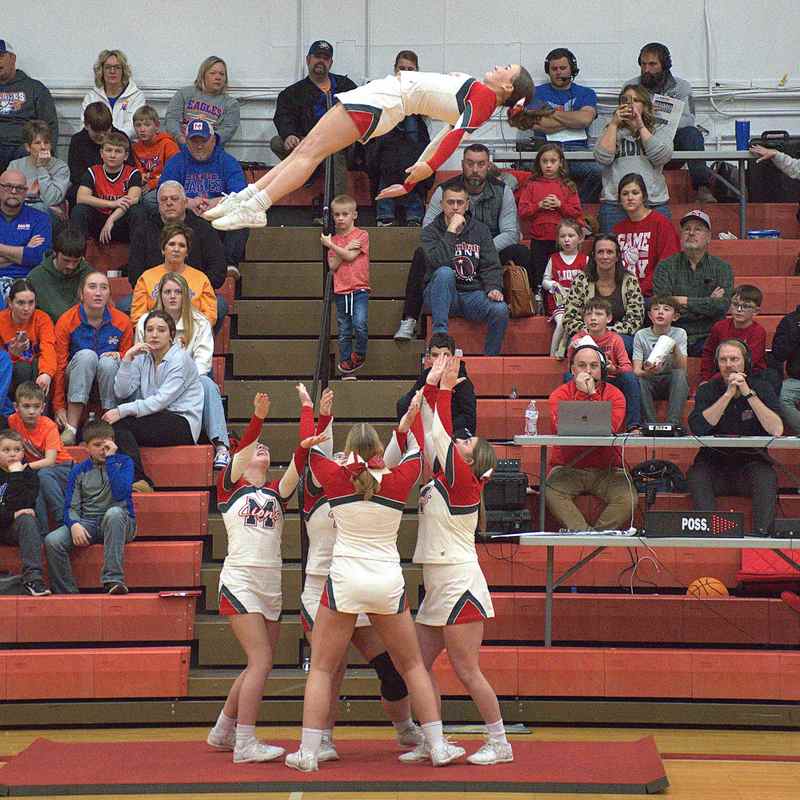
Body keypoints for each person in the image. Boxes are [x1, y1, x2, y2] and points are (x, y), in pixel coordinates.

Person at [288, 397, 465, 771]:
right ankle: (438, 745)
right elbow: (418, 451)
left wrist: (313, 411)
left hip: (345, 580)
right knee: (413, 665)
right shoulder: (399, 480)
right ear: (378, 452)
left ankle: (307, 752)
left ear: (349, 451)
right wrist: (409, 423)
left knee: (321, 669)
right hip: (386, 580)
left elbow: (306, 451)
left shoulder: (335, 479)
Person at [208, 64, 538, 230]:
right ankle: (247, 197)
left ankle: (258, 205)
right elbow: (443, 136)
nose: (498, 66)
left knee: (309, 154)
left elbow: (450, 139)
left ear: (508, 86)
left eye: (505, 68)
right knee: (304, 150)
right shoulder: (479, 93)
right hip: (381, 98)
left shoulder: (483, 99)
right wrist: (412, 176)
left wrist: (416, 176)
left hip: (382, 103)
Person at [299, 388, 424, 758]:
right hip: (323, 588)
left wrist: (402, 431)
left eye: (346, 456)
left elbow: (386, 461)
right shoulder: (317, 488)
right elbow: (312, 450)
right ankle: (322, 739)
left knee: (391, 666)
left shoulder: (361, 485)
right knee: (330, 668)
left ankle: (405, 729)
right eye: (335, 456)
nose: (340, 459)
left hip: (360, 584)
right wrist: (319, 416)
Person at [206, 389, 322, 764]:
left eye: (266, 449)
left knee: (260, 663)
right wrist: (257, 421)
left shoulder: (276, 493)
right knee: (259, 663)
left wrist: (309, 416)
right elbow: (241, 454)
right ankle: (245, 743)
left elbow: (298, 464)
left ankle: (223, 729)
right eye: (258, 447)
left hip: (271, 584)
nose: (263, 450)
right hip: (240, 581)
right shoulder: (229, 487)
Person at [411, 354, 512, 766]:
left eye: (468, 443)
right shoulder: (442, 476)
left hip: (459, 584)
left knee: (467, 670)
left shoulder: (465, 482)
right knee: (416, 665)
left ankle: (500, 742)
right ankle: (432, 737)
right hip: (437, 584)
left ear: (473, 461)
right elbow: (429, 429)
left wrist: (447, 390)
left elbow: (442, 430)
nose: (462, 440)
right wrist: (432, 385)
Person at [395, 145, 528, 340]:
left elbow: (510, 232)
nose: (475, 169)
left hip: (487, 246)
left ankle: (517, 305)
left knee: (520, 252)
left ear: (488, 165)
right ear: (462, 164)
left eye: (481, 164)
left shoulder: (502, 190)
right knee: (421, 254)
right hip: (449, 249)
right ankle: (410, 319)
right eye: (470, 163)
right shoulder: (444, 190)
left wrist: (481, 247)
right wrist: (456, 244)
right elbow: (428, 230)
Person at [135, 271, 230, 470]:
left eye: (177, 292)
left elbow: (203, 364)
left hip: (189, 385)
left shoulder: (200, 322)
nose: (172, 296)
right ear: (159, 295)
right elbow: (141, 359)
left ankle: (221, 446)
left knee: (208, 384)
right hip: (154, 380)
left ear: (185, 295)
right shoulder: (145, 322)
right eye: (167, 291)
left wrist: (177, 383)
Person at [687, 340, 783, 536]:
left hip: (752, 462)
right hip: (713, 463)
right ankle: (710, 534)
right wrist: (728, 394)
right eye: (723, 360)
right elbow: (699, 427)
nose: (729, 364)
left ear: (745, 362)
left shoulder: (762, 387)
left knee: (767, 477)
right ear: (717, 364)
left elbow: (776, 429)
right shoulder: (707, 390)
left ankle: (762, 536)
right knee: (696, 475)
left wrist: (748, 394)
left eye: (734, 359)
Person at [103, 310, 204, 490]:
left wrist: (121, 411)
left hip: (182, 423)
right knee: (116, 428)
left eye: (161, 330)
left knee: (121, 424)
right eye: (149, 330)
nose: (154, 335)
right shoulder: (143, 357)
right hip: (155, 417)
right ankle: (138, 481)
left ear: (171, 335)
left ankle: (139, 480)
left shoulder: (180, 360)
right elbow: (121, 391)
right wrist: (127, 359)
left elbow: (160, 401)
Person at [545, 345, 635, 532]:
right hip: (569, 468)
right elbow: (560, 427)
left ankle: (599, 534)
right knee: (551, 490)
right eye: (582, 365)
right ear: (572, 369)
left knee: (628, 499)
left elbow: (609, 428)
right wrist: (581, 394)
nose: (587, 371)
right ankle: (583, 533)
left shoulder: (615, 395)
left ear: (602, 370)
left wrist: (592, 394)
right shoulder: (559, 394)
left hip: (607, 471)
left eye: (594, 365)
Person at [44, 419, 136, 594]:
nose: (103, 449)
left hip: (122, 522)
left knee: (114, 513)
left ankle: (113, 580)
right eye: (97, 445)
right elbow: (70, 506)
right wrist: (74, 524)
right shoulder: (78, 470)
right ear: (86, 447)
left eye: (107, 444)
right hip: (89, 523)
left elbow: (121, 493)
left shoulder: (124, 463)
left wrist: (111, 460)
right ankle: (67, 593)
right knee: (52, 541)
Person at [420, 181, 508, 356]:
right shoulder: (430, 232)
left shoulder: (480, 230)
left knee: (500, 309)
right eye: (450, 202)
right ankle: (441, 341)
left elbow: (491, 265)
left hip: (471, 295)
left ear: (467, 204)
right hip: (440, 295)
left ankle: (490, 358)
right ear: (441, 204)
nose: (455, 207)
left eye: (460, 203)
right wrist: (451, 230)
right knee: (445, 273)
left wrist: (493, 288)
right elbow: (438, 262)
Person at [127, 180, 227, 322]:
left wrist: (190, 290)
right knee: (125, 305)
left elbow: (218, 270)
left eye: (174, 199)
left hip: (194, 291)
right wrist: (162, 293)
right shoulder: (144, 230)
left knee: (220, 306)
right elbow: (135, 273)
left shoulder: (203, 228)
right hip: (153, 292)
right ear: (158, 204)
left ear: (185, 202)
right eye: (164, 199)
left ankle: (199, 342)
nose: (169, 203)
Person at [269, 40, 358, 200]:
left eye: (325, 58)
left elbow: (361, 110)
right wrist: (289, 134)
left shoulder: (346, 86)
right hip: (309, 144)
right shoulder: (292, 93)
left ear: (331, 63)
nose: (321, 61)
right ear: (308, 59)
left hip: (341, 146)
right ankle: (309, 172)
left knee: (334, 152)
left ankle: (336, 209)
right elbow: (283, 116)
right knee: (277, 142)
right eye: (317, 56)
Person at [628, 43, 716, 205]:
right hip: (642, 145)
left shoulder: (682, 87)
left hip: (672, 143)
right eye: (643, 64)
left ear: (665, 66)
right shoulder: (631, 87)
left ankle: (703, 188)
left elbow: (688, 119)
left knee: (692, 133)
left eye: (652, 64)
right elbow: (626, 120)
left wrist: (655, 117)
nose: (646, 69)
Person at [53, 271, 134, 446]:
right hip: (76, 377)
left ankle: (108, 425)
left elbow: (130, 360)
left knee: (107, 361)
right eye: (92, 287)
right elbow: (59, 366)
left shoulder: (122, 322)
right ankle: (71, 428)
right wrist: (58, 406)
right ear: (81, 294)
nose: (98, 293)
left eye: (104, 288)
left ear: (109, 294)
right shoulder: (67, 321)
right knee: (86, 355)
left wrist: (119, 356)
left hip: (109, 378)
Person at [159, 119, 248, 273]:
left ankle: (228, 265)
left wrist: (217, 202)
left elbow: (241, 195)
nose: (199, 145)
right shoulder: (176, 162)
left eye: (204, 141)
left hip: (218, 215)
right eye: (194, 141)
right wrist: (187, 203)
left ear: (213, 140)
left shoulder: (227, 162)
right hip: (186, 216)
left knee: (243, 215)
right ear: (186, 141)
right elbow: (164, 193)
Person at [515, 48, 602, 203]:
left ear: (572, 69)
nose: (558, 72)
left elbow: (585, 119)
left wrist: (550, 113)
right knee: (525, 170)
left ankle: (575, 206)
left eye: (563, 68)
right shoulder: (535, 93)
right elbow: (538, 123)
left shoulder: (586, 93)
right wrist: (573, 121)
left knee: (598, 172)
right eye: (554, 69)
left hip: (577, 152)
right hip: (545, 150)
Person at [652, 209, 734, 356]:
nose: (691, 233)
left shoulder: (722, 268)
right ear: (681, 236)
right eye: (687, 229)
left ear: (708, 237)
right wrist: (708, 302)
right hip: (673, 333)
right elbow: (663, 305)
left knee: (726, 351)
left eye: (698, 229)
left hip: (708, 335)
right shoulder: (665, 266)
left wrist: (682, 301)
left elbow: (721, 306)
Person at [594, 84, 673, 233]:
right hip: (615, 205)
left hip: (653, 203)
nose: (630, 105)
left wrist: (641, 127)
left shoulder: (659, 128)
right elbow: (602, 157)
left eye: (636, 100)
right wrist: (614, 125)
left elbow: (661, 157)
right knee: (612, 253)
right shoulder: (610, 129)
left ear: (645, 105)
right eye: (626, 101)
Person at [366, 50, 431, 228]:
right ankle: (386, 214)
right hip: (386, 152)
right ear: (395, 69)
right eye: (402, 68)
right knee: (389, 162)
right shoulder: (382, 91)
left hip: (411, 155)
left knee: (412, 167)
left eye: (410, 69)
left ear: (417, 71)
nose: (405, 72)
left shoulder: (423, 96)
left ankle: (413, 215)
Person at [565, 298, 642, 431]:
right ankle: (574, 423)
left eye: (599, 314)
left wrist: (613, 369)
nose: (593, 318)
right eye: (589, 314)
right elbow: (572, 368)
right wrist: (572, 349)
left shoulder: (615, 339)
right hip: (587, 379)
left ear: (609, 318)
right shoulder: (577, 339)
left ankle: (633, 425)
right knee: (568, 377)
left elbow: (626, 367)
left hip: (610, 379)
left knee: (630, 378)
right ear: (584, 319)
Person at [561, 234, 644, 356]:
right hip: (586, 334)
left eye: (609, 252)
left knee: (624, 344)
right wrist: (592, 332)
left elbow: (635, 320)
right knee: (582, 347)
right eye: (600, 252)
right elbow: (569, 318)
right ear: (594, 256)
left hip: (619, 336)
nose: (605, 256)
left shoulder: (629, 281)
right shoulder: (581, 280)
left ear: (617, 257)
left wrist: (605, 333)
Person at [516, 143, 585, 289]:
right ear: (538, 163)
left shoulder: (568, 185)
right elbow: (522, 211)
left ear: (560, 163)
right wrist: (539, 205)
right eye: (544, 161)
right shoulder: (532, 185)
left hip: (561, 240)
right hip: (539, 239)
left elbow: (576, 212)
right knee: (540, 275)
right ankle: (541, 302)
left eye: (553, 161)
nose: (548, 165)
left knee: (560, 273)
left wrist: (560, 205)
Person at [8, 381, 74, 532]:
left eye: (36, 407)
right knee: (34, 481)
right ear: (16, 407)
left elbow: (50, 461)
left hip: (64, 468)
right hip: (40, 471)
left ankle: (61, 519)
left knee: (41, 474)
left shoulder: (49, 426)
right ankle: (42, 531)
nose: (31, 411)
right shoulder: (13, 421)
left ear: (43, 408)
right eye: (26, 406)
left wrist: (27, 467)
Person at [397, 333, 477, 444]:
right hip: (429, 427)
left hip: (452, 432)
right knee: (402, 403)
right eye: (435, 355)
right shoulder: (426, 375)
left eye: (445, 355)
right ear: (428, 357)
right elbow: (406, 403)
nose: (440, 360)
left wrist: (441, 428)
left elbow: (469, 419)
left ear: (453, 357)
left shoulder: (463, 381)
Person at [130, 222, 216, 325]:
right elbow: (138, 317)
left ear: (187, 252)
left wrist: (191, 332)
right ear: (163, 249)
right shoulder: (146, 277)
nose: (176, 249)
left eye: (182, 245)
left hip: (192, 334)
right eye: (171, 244)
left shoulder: (201, 279)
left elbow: (210, 316)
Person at [321, 194, 370, 375]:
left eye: (345, 214)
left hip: (359, 289)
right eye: (337, 215)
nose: (340, 218)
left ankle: (360, 354)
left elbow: (350, 257)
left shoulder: (362, 235)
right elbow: (333, 266)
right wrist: (343, 247)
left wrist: (335, 247)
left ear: (354, 215)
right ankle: (345, 364)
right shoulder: (333, 239)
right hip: (341, 290)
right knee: (344, 329)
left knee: (360, 323)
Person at [612, 172, 680, 297]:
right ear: (619, 199)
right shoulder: (617, 229)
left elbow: (668, 265)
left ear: (643, 196)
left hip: (654, 295)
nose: (630, 197)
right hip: (623, 294)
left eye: (635, 193)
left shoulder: (661, 224)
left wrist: (638, 290)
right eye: (625, 194)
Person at [71, 131, 144, 244]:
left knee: (137, 211)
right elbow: (81, 198)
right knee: (79, 210)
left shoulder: (133, 173)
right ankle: (79, 256)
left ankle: (138, 259)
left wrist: (111, 220)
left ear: (126, 156)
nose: (112, 155)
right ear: (101, 153)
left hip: (119, 221)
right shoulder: (92, 171)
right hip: (98, 221)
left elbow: (132, 200)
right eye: (108, 150)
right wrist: (111, 204)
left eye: (118, 151)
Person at [0, 427, 49, 595]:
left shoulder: (29, 475)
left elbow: (24, 505)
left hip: (13, 529)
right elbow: (16, 510)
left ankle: (33, 579)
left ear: (23, 452)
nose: (12, 454)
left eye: (17, 450)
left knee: (27, 520)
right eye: (6, 450)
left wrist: (15, 476)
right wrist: (12, 514)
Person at [0, 41, 58, 173]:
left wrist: (48, 150)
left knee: (28, 152)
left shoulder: (34, 88)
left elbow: (50, 124)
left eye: (1, 56)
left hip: (23, 147)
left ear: (13, 58)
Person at [632, 295, 689, 426]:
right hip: (651, 380)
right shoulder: (641, 335)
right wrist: (648, 372)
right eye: (656, 309)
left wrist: (674, 348)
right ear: (650, 316)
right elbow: (636, 370)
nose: (661, 312)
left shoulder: (680, 333)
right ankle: (650, 424)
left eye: (666, 309)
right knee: (639, 380)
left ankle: (672, 424)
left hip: (671, 381)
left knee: (680, 375)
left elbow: (683, 367)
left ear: (675, 317)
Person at [67, 102, 134, 208]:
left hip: (117, 190)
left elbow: (130, 171)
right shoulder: (78, 141)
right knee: (73, 194)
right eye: (97, 131)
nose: (102, 135)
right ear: (86, 125)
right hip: (89, 189)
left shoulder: (121, 138)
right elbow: (76, 176)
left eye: (106, 130)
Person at [700, 285, 769, 384]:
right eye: (735, 304)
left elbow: (748, 363)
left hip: (751, 376)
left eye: (746, 306)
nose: (739, 309)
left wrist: (713, 380)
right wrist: (706, 379)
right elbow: (709, 354)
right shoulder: (719, 327)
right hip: (721, 375)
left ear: (756, 311)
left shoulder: (758, 332)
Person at [166, 56, 240, 146]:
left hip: (211, 150)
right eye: (212, 73)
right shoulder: (184, 94)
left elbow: (227, 131)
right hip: (182, 147)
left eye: (222, 74)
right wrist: (182, 139)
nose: (218, 77)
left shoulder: (231, 104)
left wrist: (206, 144)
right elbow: (172, 120)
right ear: (203, 75)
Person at [0, 278, 56, 398]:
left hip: (35, 373)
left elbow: (48, 347)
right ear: (10, 302)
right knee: (21, 367)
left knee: (41, 369)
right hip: (10, 374)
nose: (26, 308)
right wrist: (12, 355)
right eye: (21, 303)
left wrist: (46, 373)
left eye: (31, 302)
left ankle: (40, 413)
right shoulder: (1, 320)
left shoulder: (42, 319)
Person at [0, 168, 51, 296]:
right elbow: (30, 255)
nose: (13, 192)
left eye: (19, 188)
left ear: (26, 192)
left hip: (29, 281)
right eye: (8, 186)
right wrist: (25, 249)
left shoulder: (40, 219)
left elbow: (38, 257)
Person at [26, 225, 91, 324]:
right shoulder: (35, 277)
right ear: (55, 253)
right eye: (66, 260)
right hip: (49, 332)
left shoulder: (90, 276)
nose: (71, 266)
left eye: (76, 261)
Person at [542, 219, 588, 358]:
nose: (566, 240)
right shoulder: (554, 258)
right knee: (563, 321)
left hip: (579, 304)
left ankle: (565, 350)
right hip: (559, 303)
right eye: (563, 236)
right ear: (558, 239)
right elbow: (545, 281)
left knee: (576, 323)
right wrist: (553, 285)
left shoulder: (585, 260)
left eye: (571, 236)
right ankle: (553, 354)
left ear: (580, 238)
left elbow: (590, 283)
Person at [8, 119, 69, 219]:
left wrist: (41, 167)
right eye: (37, 143)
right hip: (18, 212)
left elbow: (51, 200)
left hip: (48, 217)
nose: (43, 147)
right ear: (28, 147)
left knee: (39, 208)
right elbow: (8, 197)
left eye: (46, 142)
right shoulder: (15, 166)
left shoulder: (61, 167)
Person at [80, 49, 145, 139]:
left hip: (126, 144)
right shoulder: (91, 97)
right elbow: (85, 124)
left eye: (117, 67)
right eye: (108, 67)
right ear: (101, 71)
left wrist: (112, 140)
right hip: (96, 143)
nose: (112, 71)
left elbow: (133, 127)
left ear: (123, 71)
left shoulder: (136, 96)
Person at [131, 105, 179, 211]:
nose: (142, 129)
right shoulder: (135, 148)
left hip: (166, 185)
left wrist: (152, 184)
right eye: (138, 125)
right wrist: (141, 175)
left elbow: (174, 173)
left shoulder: (168, 144)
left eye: (147, 125)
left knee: (148, 200)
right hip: (145, 185)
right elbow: (137, 170)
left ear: (157, 126)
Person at [770, 302, 800, 434]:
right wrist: (796, 333)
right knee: (782, 395)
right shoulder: (791, 321)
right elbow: (779, 354)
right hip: (797, 379)